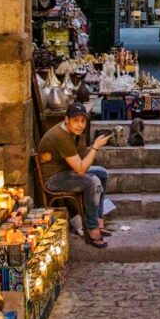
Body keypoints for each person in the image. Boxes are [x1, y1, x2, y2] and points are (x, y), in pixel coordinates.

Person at [38, 102, 111, 248]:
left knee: (102, 174)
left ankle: (98, 219)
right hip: (52, 179)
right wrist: (95, 147)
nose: (80, 125)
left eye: (83, 121)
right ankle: (92, 229)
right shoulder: (61, 137)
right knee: (93, 181)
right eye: (75, 120)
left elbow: (79, 163)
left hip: (65, 171)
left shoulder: (70, 132)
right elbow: (81, 169)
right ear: (67, 120)